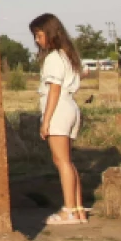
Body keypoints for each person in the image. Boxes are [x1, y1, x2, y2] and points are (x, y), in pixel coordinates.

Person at [30, 12, 86, 225]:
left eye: (39, 34)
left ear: (50, 33)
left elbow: (54, 89)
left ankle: (68, 210)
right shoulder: (67, 55)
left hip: (58, 108)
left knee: (61, 161)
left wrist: (46, 121)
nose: (37, 40)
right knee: (67, 162)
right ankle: (78, 209)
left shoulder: (54, 57)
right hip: (70, 107)